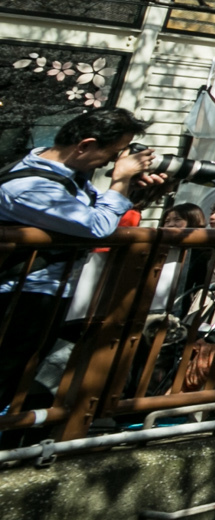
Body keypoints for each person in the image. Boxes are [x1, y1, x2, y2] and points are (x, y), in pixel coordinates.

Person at [0, 107, 170, 438]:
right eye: (111, 154)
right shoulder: (31, 186)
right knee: (5, 372)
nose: (110, 164)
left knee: (18, 374)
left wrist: (132, 189)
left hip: (46, 293)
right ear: (84, 145)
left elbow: (98, 215)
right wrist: (119, 181)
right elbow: (96, 226)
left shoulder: (69, 179)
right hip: (18, 295)